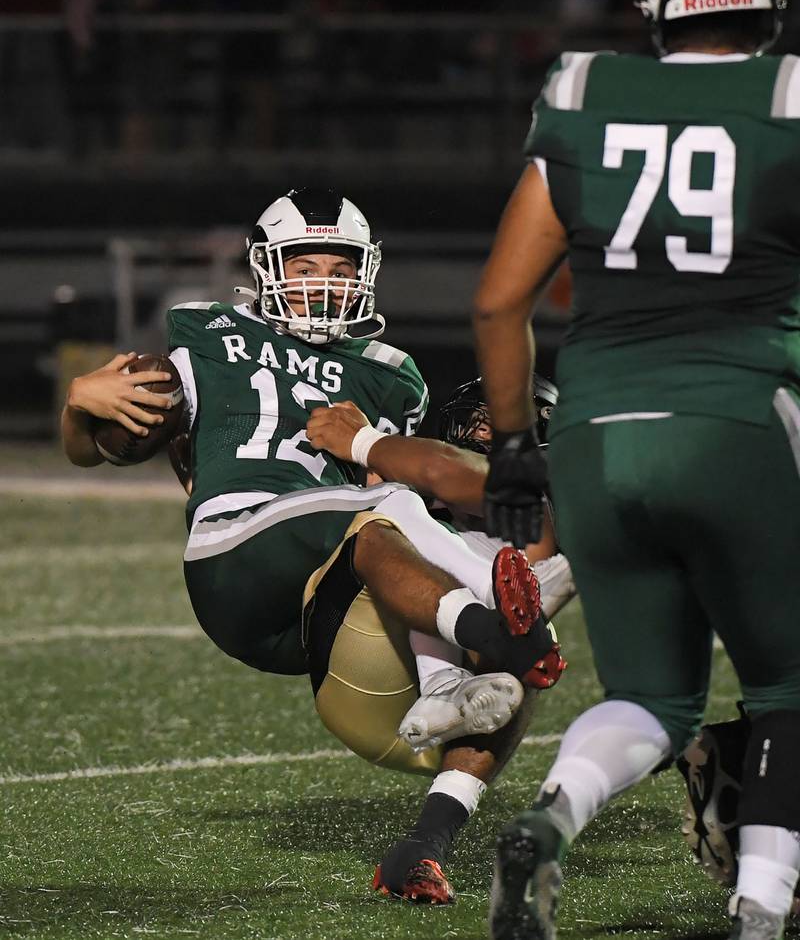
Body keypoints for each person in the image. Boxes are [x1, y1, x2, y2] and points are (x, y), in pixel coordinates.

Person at [469, 0, 800, 939]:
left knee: (651, 697)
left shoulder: (583, 90)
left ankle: (551, 818)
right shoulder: (785, 99)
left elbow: (498, 303)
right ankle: (761, 909)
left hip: (598, 426)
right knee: (786, 688)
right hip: (740, 419)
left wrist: (516, 452)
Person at [61, 189, 556, 758]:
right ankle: (511, 614)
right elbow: (93, 451)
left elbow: (385, 500)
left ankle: (445, 690)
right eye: (305, 267)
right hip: (236, 541)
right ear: (268, 267)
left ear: (366, 273)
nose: (324, 284)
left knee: (393, 521)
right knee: (391, 505)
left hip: (315, 602)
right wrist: (79, 407)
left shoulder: (391, 375)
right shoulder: (208, 333)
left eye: (341, 269)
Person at [304, 374, 572, 903]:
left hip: (444, 722)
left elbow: (485, 489)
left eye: (505, 423)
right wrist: (372, 451)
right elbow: (438, 473)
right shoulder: (430, 480)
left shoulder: (530, 512)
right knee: (395, 509)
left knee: (505, 595)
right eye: (482, 418)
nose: (488, 430)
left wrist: (368, 445)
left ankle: (422, 847)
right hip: (354, 664)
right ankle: (478, 652)